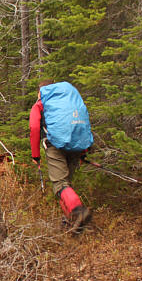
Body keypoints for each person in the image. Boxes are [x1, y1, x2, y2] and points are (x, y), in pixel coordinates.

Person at [29, 80, 94, 233]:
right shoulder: (68, 100)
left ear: (40, 91)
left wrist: (36, 156)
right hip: (76, 145)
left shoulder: (40, 103)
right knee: (66, 185)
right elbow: (82, 124)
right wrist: (83, 152)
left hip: (54, 146)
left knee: (60, 185)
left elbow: (34, 128)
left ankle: (79, 212)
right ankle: (73, 223)